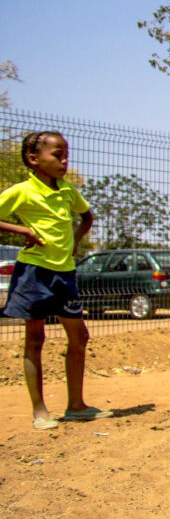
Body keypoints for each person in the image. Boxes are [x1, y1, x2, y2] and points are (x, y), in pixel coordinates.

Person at [0, 131, 106, 430]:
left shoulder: (68, 192)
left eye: (65, 154)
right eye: (57, 155)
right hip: (33, 273)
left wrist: (75, 241)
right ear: (34, 159)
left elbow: (87, 217)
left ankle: (76, 405)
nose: (64, 160)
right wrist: (23, 232)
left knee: (80, 336)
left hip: (65, 273)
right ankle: (39, 411)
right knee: (35, 339)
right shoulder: (21, 191)